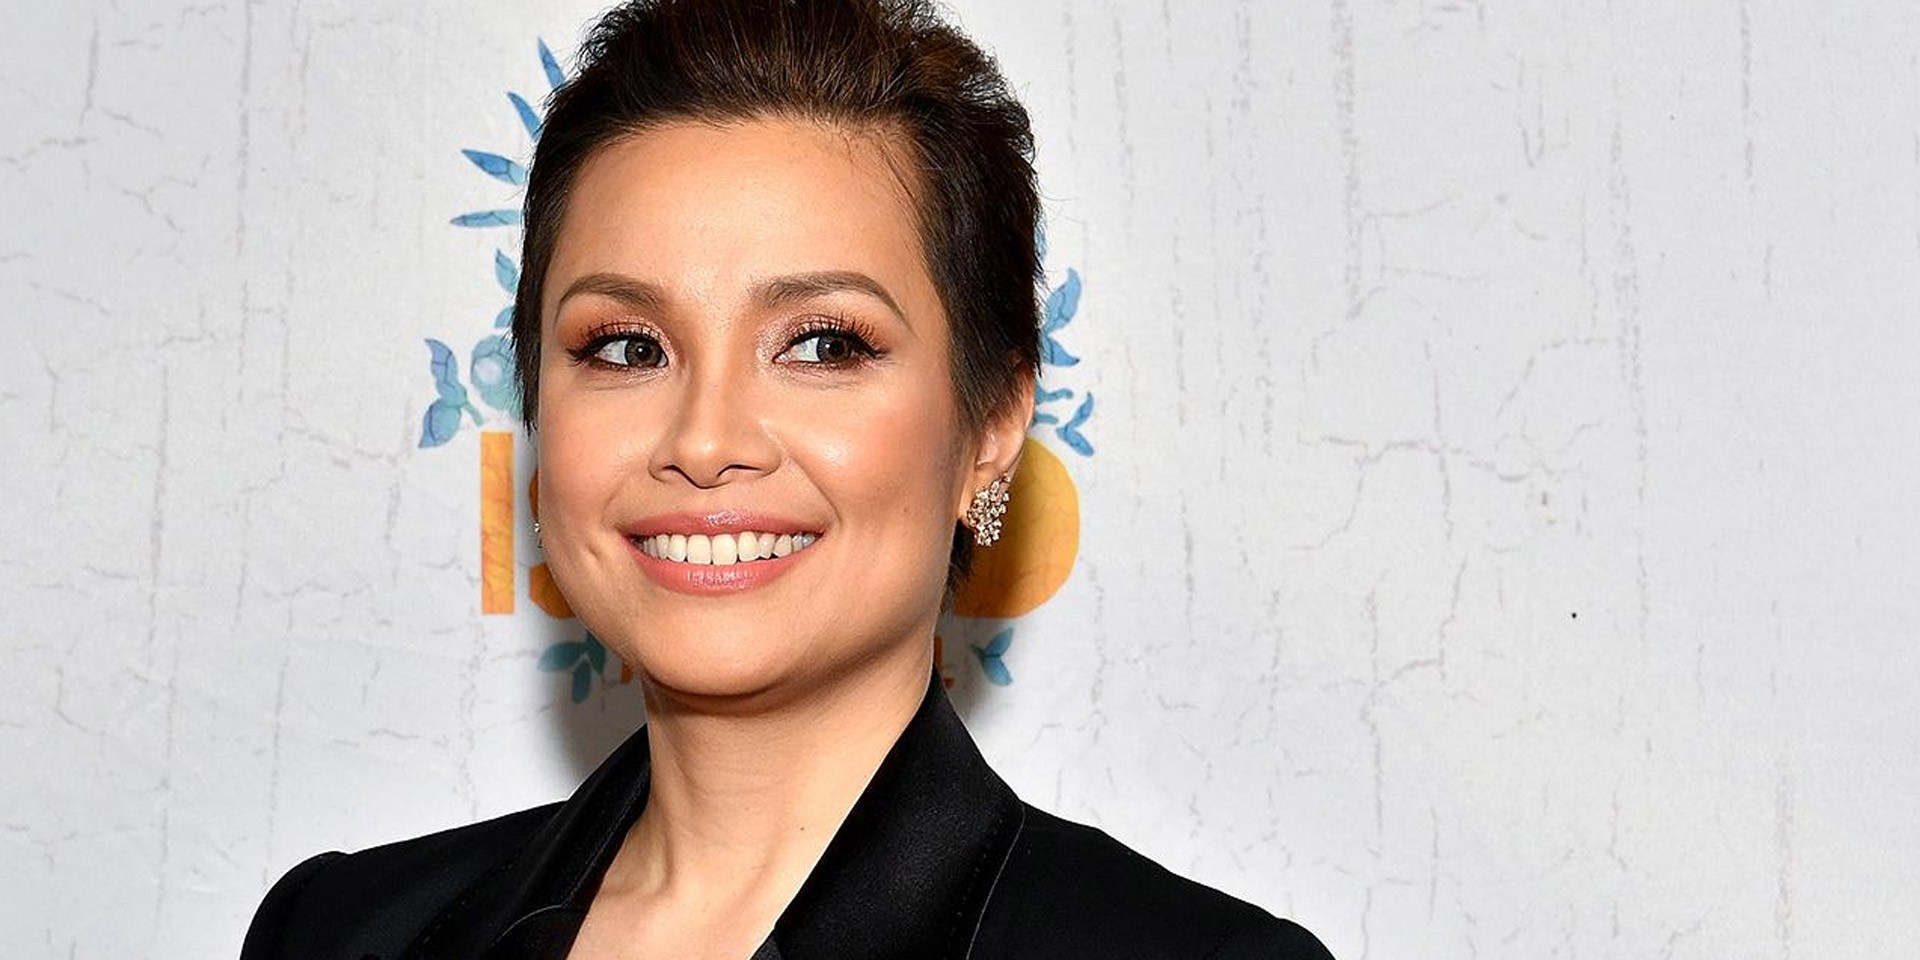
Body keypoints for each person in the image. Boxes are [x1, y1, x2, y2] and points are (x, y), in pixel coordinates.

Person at [241, 1, 1334, 957]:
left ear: (992, 424)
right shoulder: (339, 931)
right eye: (625, 346)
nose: (704, 439)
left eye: (821, 344)